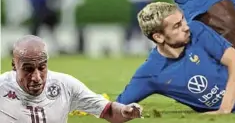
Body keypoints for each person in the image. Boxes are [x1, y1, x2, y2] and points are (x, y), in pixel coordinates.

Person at [0, 35, 143, 123]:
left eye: (42, 67)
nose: (36, 77)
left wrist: (125, 111)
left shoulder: (65, 85)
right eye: (28, 69)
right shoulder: (2, 87)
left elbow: (108, 111)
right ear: (14, 65)